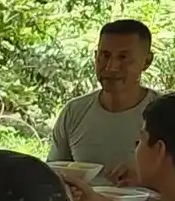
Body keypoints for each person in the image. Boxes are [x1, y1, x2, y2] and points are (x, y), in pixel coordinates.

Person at [48, 20, 159, 180]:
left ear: (147, 61)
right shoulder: (74, 112)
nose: (110, 67)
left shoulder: (167, 114)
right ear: (95, 56)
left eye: (123, 57)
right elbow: (52, 175)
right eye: (105, 56)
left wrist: (143, 180)